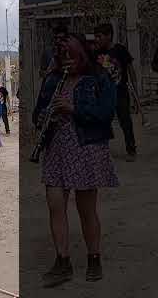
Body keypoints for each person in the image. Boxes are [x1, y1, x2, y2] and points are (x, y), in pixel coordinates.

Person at [32, 33, 118, 288]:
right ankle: (63, 260)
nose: (67, 60)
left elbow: (106, 113)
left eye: (71, 55)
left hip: (86, 148)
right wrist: (46, 115)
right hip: (57, 148)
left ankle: (94, 258)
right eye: (62, 56)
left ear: (82, 53)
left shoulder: (99, 78)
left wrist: (73, 110)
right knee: (54, 203)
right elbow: (37, 113)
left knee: (86, 208)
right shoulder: (53, 80)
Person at [94, 23, 137, 161]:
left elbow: (130, 69)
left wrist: (135, 91)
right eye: (96, 36)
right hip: (105, 93)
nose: (97, 39)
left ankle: (131, 150)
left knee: (125, 120)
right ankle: (101, 150)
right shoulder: (97, 54)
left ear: (109, 36)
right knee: (103, 121)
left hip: (121, 91)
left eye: (99, 36)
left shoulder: (120, 50)